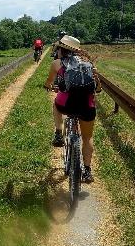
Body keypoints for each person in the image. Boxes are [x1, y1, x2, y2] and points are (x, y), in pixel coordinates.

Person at [43, 35, 101, 183]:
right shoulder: (89, 63)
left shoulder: (57, 63)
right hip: (87, 106)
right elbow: (98, 87)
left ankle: (58, 133)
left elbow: (49, 82)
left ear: (62, 50)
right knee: (87, 138)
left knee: (56, 105)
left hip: (66, 104)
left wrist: (48, 87)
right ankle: (87, 171)